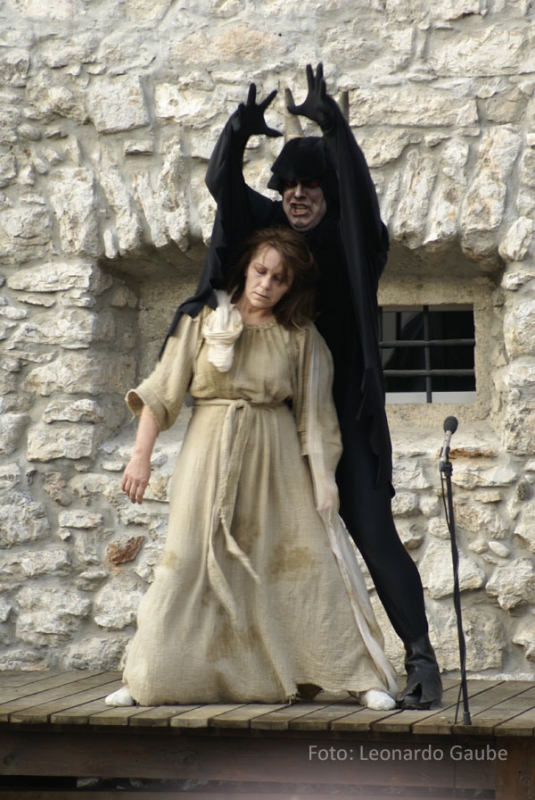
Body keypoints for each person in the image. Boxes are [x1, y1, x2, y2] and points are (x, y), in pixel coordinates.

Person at [163, 64, 442, 710]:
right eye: (288, 184)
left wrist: (335, 129)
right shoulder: (271, 236)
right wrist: (238, 132)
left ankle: (421, 659)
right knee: (255, 541)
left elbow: (360, 197)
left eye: (310, 184)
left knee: (372, 531)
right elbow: (221, 187)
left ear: (327, 190)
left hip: (342, 412)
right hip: (272, 420)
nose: (296, 194)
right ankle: (259, 665)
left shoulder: (354, 238)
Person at [105, 227, 397, 709]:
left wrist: (324, 481)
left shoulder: (299, 336)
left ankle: (355, 676)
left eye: (280, 279)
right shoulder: (203, 319)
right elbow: (161, 391)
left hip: (276, 457)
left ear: (290, 286)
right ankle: (149, 676)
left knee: (306, 560)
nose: (267, 284)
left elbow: (315, 417)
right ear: (245, 267)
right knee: (186, 560)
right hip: (208, 451)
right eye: (261, 271)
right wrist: (140, 457)